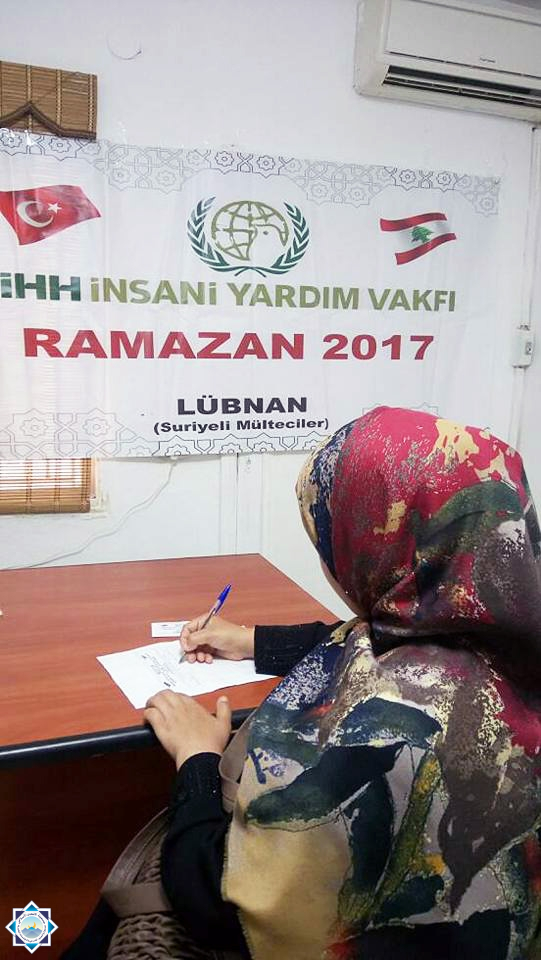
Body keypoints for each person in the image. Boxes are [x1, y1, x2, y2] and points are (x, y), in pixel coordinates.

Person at [66, 406, 541, 959]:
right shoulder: (503, 630)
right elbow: (358, 638)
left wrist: (196, 759)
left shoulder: (387, 735)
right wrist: (251, 641)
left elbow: (217, 903)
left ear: (373, 549)